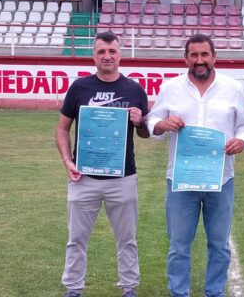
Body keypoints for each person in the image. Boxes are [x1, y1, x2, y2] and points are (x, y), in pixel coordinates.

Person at [147, 34, 244, 297]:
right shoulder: (170, 87)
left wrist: (242, 141)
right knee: (179, 246)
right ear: (186, 58)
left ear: (214, 57)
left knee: (219, 245)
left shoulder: (233, 88)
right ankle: (179, 293)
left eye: (204, 54)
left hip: (221, 179)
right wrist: (162, 125)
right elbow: (152, 121)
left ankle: (215, 292)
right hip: (181, 180)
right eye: (194, 55)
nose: (199, 60)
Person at [55, 31, 149, 297]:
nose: (107, 56)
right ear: (94, 56)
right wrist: (67, 161)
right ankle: (73, 289)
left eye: (112, 51)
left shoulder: (134, 89)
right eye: (101, 52)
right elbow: (62, 129)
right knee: (76, 240)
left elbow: (145, 132)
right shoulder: (79, 88)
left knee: (127, 240)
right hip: (83, 177)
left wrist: (140, 120)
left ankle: (129, 288)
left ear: (120, 54)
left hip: (123, 178)